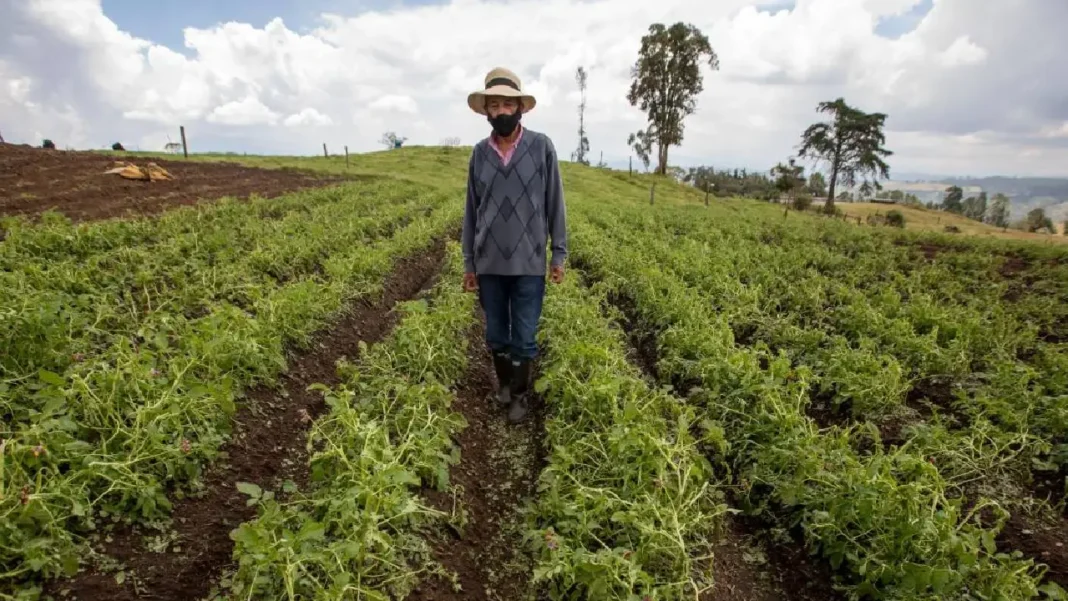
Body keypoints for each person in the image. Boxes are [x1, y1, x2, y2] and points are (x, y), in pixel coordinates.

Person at [461, 67, 567, 424]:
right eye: (495, 105)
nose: (502, 111)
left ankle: (520, 396)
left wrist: (559, 254)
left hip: (529, 262)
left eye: (509, 104)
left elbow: (556, 203)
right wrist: (468, 263)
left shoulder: (541, 147)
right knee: (495, 332)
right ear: (487, 111)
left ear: (520, 108)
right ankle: (505, 385)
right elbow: (471, 212)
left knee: (523, 333)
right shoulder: (479, 154)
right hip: (489, 263)